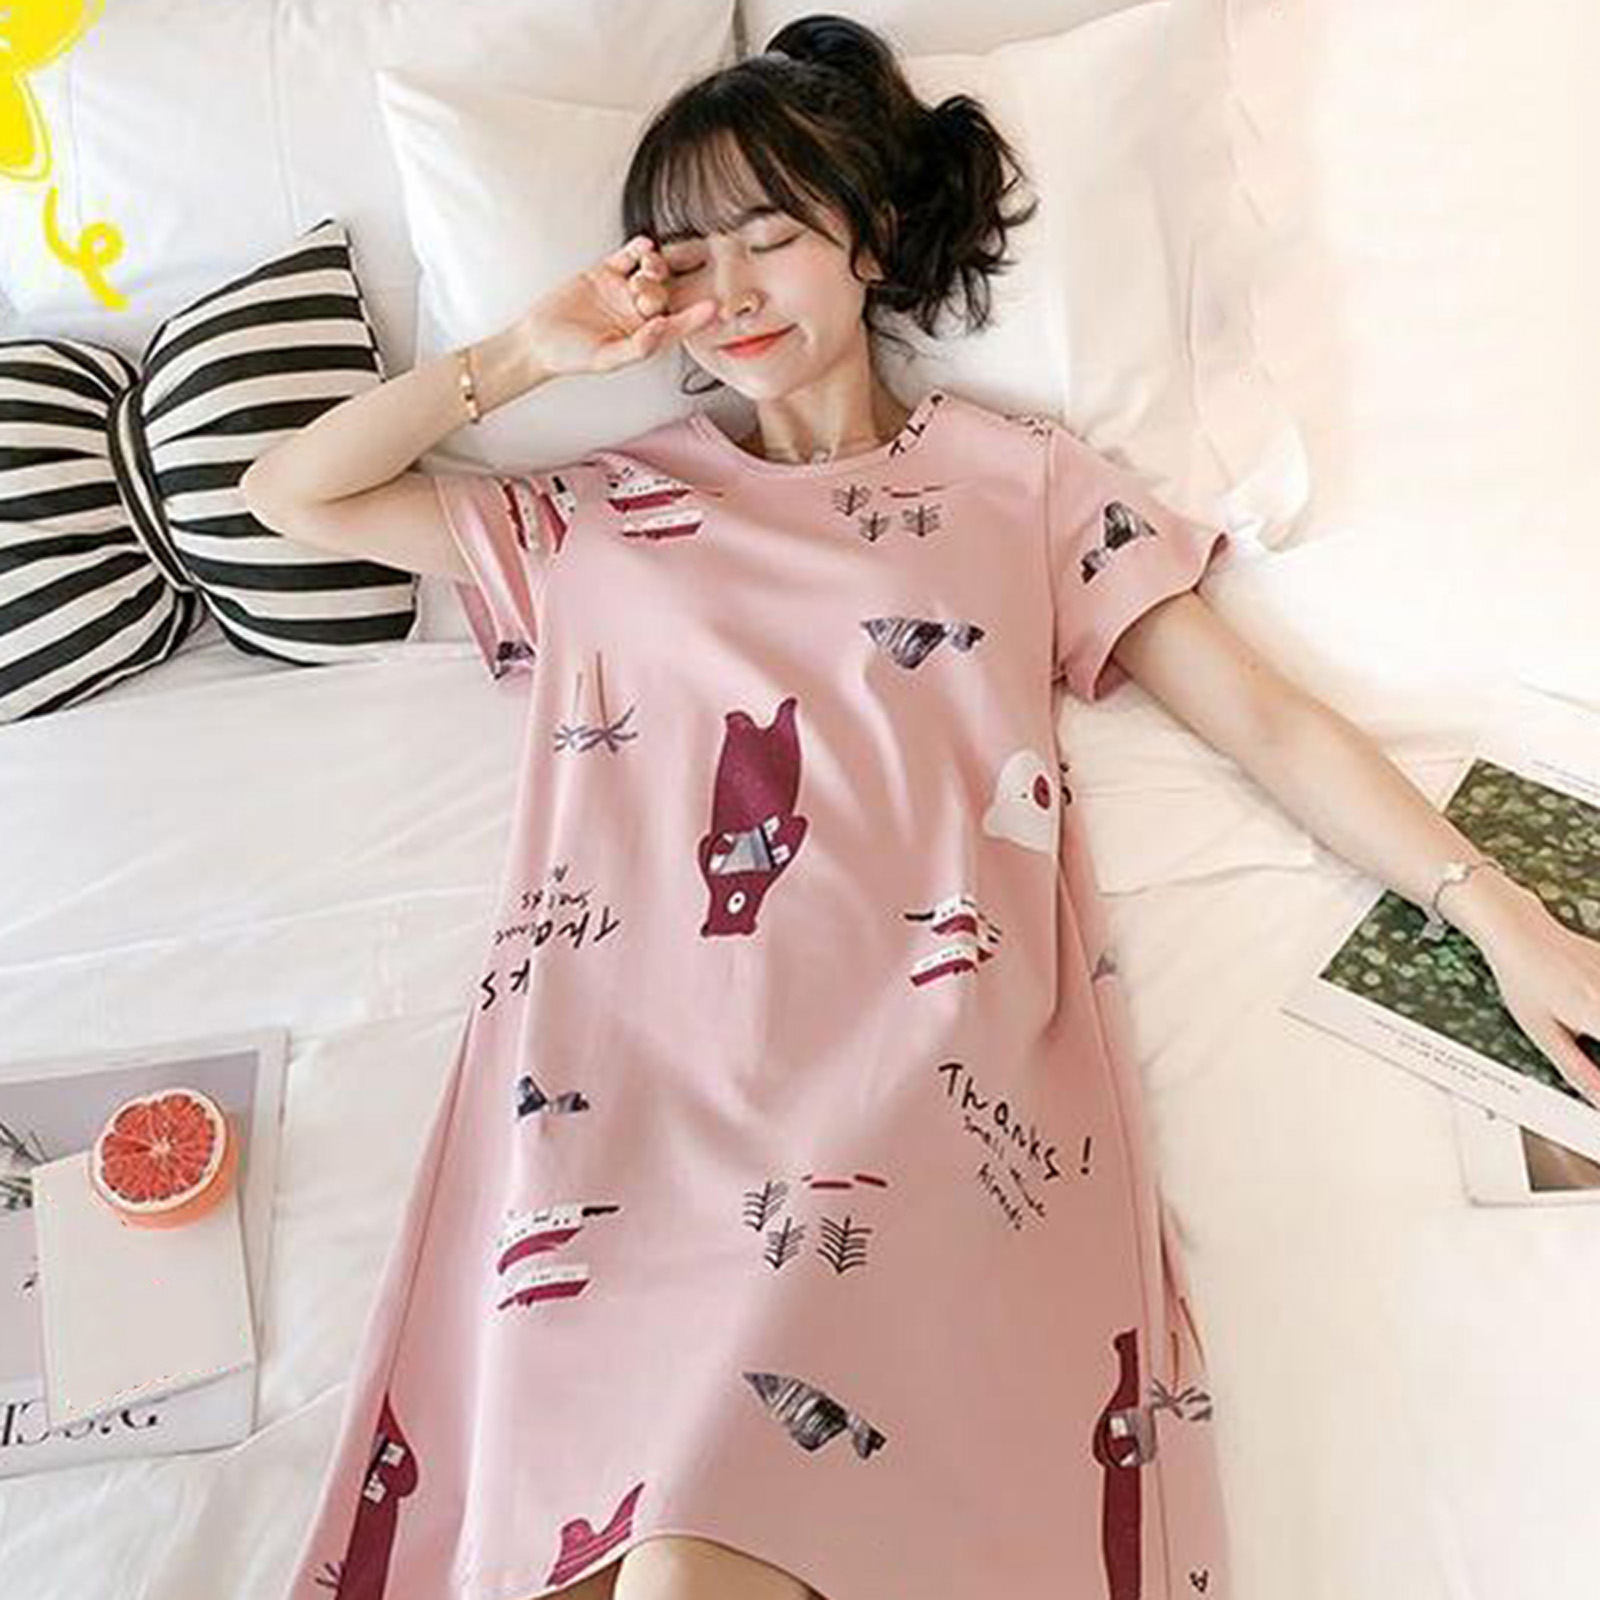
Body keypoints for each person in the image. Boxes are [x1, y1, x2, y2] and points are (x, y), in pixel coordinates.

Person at [245, 14, 1600, 1600]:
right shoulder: (599, 510)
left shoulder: (1023, 482)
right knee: (603, 1539)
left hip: (911, 1062)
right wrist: (529, 354)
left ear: (871, 240)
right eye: (686, 257)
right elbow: (292, 496)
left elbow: (1264, 720)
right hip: (626, 1081)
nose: (730, 291)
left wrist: (1499, 914)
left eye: (773, 237)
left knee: (703, 1534)